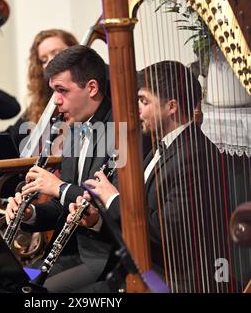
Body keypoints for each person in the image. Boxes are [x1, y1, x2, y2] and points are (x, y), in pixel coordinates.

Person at [68, 60, 228, 293]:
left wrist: (113, 199)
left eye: (144, 101)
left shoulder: (196, 155)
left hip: (170, 281)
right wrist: (97, 219)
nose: (137, 109)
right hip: (137, 270)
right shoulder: (160, 146)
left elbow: (168, 231)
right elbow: (137, 218)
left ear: (171, 106)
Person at [5, 45, 118, 292]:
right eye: (54, 91)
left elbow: (114, 207)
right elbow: (60, 206)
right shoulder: (75, 127)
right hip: (67, 252)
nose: (55, 101)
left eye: (62, 91)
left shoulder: (119, 129)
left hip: (103, 257)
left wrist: (59, 187)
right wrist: (29, 213)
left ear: (92, 88)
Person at [4, 29, 78, 148]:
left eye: (56, 53)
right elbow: (10, 137)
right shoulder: (44, 103)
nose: (50, 62)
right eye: (44, 60)